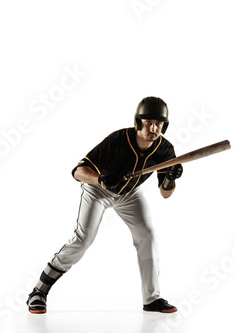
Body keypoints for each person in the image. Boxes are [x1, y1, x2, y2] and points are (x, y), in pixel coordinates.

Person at [27, 96, 183, 314]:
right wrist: (100, 179)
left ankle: (152, 299)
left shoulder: (165, 149)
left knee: (147, 234)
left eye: (158, 123)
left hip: (130, 194)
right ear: (138, 122)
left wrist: (170, 180)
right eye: (148, 122)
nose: (153, 128)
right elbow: (78, 171)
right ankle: (38, 291)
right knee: (83, 240)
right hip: (97, 190)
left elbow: (165, 194)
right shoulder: (118, 140)